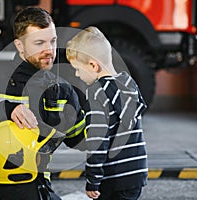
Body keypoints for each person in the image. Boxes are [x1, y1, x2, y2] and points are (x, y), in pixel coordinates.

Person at [0, 7, 85, 200]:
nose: (49, 50)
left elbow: (79, 138)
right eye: (39, 43)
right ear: (20, 46)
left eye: (52, 41)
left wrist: (109, 118)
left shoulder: (61, 90)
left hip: (36, 180)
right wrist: (3, 111)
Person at [66, 26, 148, 200]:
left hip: (113, 178)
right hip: (136, 173)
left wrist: (93, 180)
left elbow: (98, 141)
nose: (77, 74)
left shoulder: (96, 93)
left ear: (93, 65)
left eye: (78, 69)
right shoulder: (129, 83)